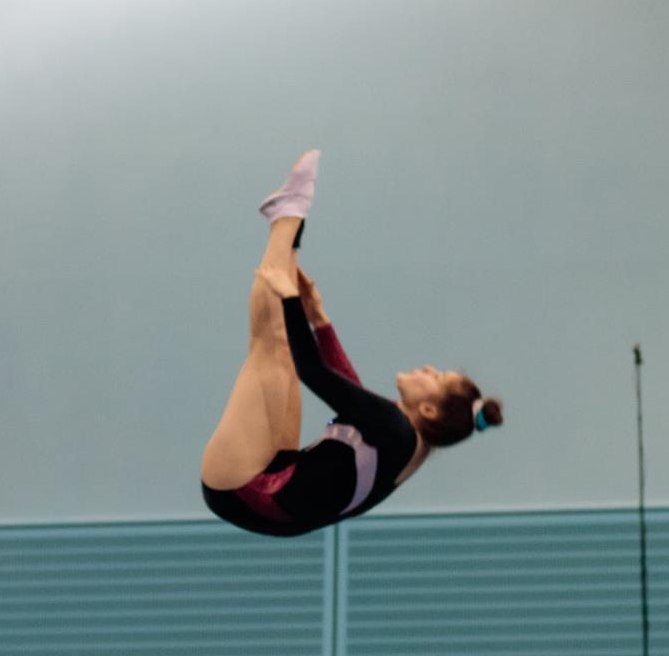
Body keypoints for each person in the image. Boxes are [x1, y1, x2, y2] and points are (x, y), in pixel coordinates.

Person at [199, 151, 503, 537]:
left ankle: (289, 215)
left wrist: (291, 300)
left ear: (427, 407)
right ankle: (287, 215)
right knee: (278, 349)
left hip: (244, 490)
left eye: (436, 376)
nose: (428, 368)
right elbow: (348, 390)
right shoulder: (404, 437)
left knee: (270, 352)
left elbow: (315, 373)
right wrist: (318, 319)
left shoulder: (395, 428)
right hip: (279, 484)